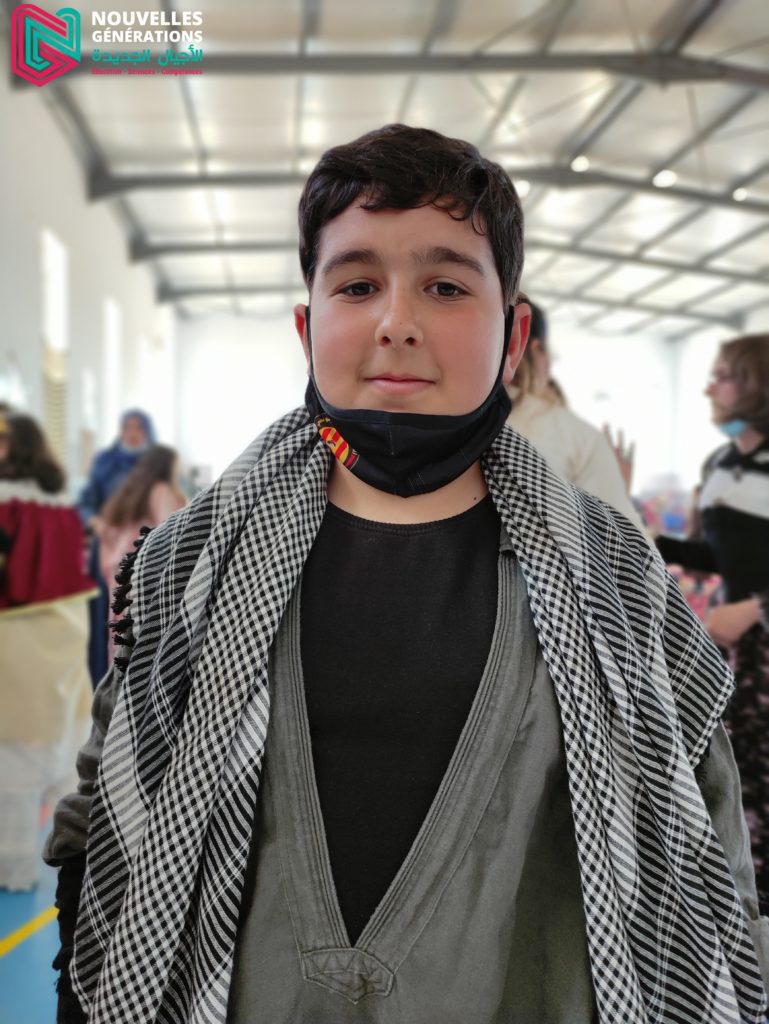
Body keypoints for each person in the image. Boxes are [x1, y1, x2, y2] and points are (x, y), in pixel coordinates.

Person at [46, 125, 768, 1024]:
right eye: (356, 285)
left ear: (513, 335)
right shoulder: (188, 562)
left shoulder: (619, 580)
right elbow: (105, 809)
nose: (396, 321)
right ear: (306, 328)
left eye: (446, 286)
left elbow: (707, 842)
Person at [657, 334, 769, 902]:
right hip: (733, 645)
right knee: (735, 782)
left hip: (755, 636)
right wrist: (641, 535)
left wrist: (757, 609)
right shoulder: (721, 464)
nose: (709, 388)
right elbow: (720, 556)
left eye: (723, 375)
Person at [0, 413, 94, 889]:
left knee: (13, 754)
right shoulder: (59, 500)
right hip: (65, 628)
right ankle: (70, 863)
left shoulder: (7, 504)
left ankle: (13, 869)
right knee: (60, 746)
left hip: (18, 634)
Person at [505, 299, 642, 527]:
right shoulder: (574, 436)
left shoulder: (457, 416)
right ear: (536, 350)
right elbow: (622, 541)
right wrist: (614, 484)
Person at [77, 409, 156, 685]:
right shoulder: (105, 462)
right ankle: (102, 682)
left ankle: (135, 683)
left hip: (144, 550)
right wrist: (96, 522)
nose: (132, 434)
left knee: (138, 615)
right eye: (127, 428)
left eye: (138, 428)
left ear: (147, 431)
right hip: (107, 550)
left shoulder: (156, 465)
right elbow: (86, 503)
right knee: (104, 617)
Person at [97, 444, 186, 659]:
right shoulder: (161, 490)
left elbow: (106, 533)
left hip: (119, 574)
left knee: (120, 643)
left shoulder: (129, 493)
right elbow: (168, 535)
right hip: (144, 575)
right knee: (144, 645)